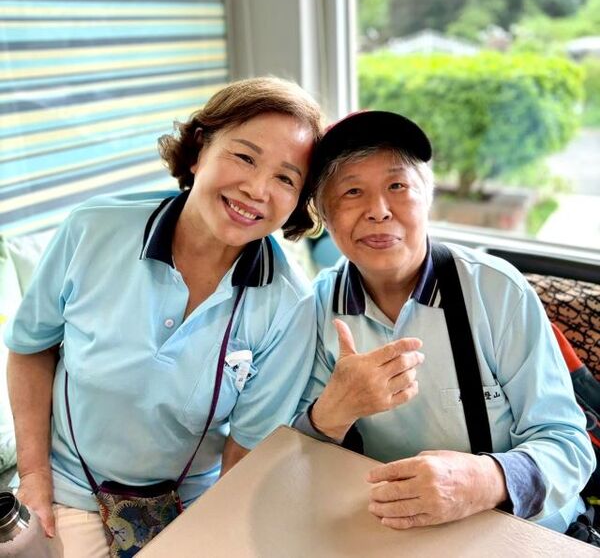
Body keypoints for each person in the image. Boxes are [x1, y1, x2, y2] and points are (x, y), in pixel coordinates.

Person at [5, 77, 323, 557]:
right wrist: (33, 477)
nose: (257, 189)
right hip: (68, 493)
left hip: (191, 505)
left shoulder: (292, 305)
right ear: (199, 150)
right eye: (245, 157)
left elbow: (246, 449)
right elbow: (31, 348)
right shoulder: (92, 230)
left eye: (286, 178)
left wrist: (214, 534)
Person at [295, 109, 595, 534]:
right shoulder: (316, 309)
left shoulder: (497, 291)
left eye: (397, 186)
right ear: (325, 215)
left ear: (427, 197)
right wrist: (333, 411)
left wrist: (483, 481)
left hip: (522, 529)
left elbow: (569, 446)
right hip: (392, 529)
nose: (378, 210)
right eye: (352, 191)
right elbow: (291, 457)